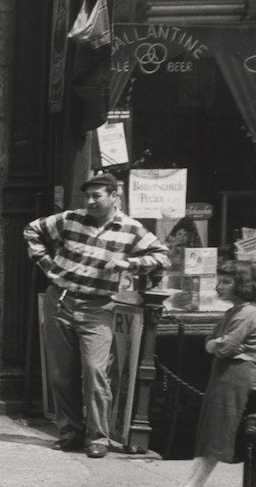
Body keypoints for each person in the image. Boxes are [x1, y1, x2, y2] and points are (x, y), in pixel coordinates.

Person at [25, 172, 170, 458]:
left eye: (97, 196)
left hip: (98, 306)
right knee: (62, 373)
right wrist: (49, 266)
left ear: (114, 196)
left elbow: (162, 255)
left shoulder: (131, 228)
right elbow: (32, 230)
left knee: (95, 371)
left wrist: (129, 263)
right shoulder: (70, 219)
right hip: (61, 301)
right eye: (87, 196)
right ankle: (70, 433)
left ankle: (98, 437)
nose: (89, 202)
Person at [159, 260, 256, 487]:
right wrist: (218, 344)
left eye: (227, 282)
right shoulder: (234, 312)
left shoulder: (248, 313)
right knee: (209, 429)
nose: (220, 287)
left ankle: (195, 486)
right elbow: (211, 342)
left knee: (219, 431)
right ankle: (189, 484)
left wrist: (220, 344)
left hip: (236, 374)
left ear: (244, 285)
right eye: (219, 281)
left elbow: (225, 346)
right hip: (225, 372)